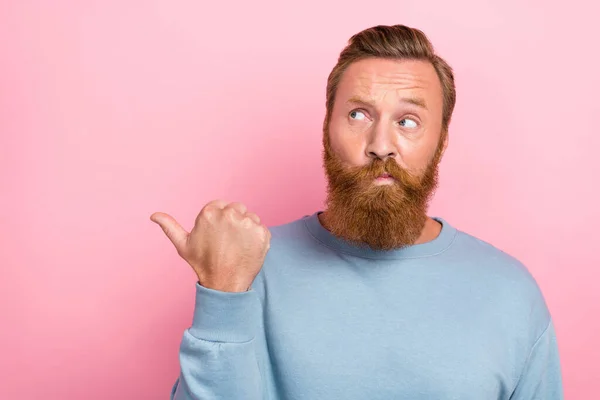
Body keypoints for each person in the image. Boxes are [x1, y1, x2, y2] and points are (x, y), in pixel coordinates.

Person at [151, 24, 563, 399]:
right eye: (358, 114)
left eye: (408, 121)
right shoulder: (247, 269)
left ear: (442, 141)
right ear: (327, 129)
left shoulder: (510, 294)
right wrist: (222, 293)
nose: (380, 144)